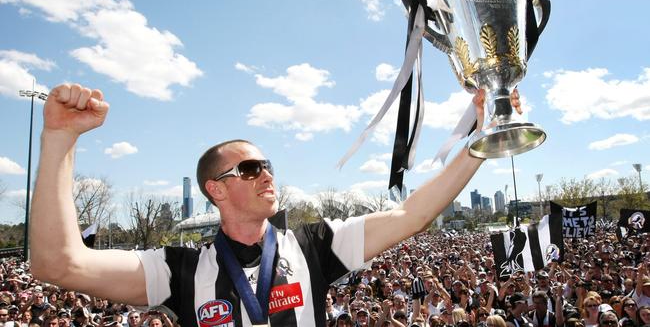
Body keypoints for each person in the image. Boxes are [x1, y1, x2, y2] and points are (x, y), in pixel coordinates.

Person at [29, 84, 521, 326]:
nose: (266, 173)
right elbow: (57, 263)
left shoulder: (314, 246)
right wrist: (60, 138)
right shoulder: (178, 269)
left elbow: (412, 214)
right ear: (214, 190)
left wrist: (481, 137)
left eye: (266, 164)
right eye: (247, 169)